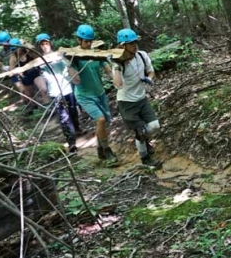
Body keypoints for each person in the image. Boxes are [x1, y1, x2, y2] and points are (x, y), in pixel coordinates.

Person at [109, 28, 161, 167]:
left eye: (135, 42)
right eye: (131, 43)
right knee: (140, 132)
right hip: (127, 103)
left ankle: (143, 140)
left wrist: (148, 78)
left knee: (154, 126)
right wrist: (117, 66)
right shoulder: (118, 63)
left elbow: (151, 71)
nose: (134, 45)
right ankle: (145, 159)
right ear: (122, 46)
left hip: (141, 99)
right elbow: (118, 85)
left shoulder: (142, 55)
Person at [71, 24, 118, 163]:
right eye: (86, 41)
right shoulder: (74, 56)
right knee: (101, 120)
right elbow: (76, 80)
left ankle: (100, 149)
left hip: (100, 93)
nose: (88, 44)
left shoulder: (96, 53)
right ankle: (107, 150)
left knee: (102, 124)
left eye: (90, 41)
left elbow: (109, 71)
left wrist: (119, 84)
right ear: (79, 40)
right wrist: (68, 63)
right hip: (84, 95)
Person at [36, 33, 82, 153]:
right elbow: (43, 75)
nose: (45, 46)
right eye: (42, 44)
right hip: (55, 92)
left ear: (50, 43)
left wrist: (65, 64)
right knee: (63, 117)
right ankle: (71, 142)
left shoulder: (58, 55)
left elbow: (67, 67)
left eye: (46, 43)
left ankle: (76, 128)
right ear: (40, 46)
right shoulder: (39, 61)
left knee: (72, 110)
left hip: (67, 88)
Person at [8, 38, 48, 109]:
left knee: (44, 89)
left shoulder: (29, 52)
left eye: (17, 48)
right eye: (14, 49)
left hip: (35, 73)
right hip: (25, 77)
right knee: (30, 95)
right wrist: (17, 72)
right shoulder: (13, 58)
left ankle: (48, 107)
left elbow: (38, 57)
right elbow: (11, 71)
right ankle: (35, 108)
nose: (16, 50)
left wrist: (27, 45)